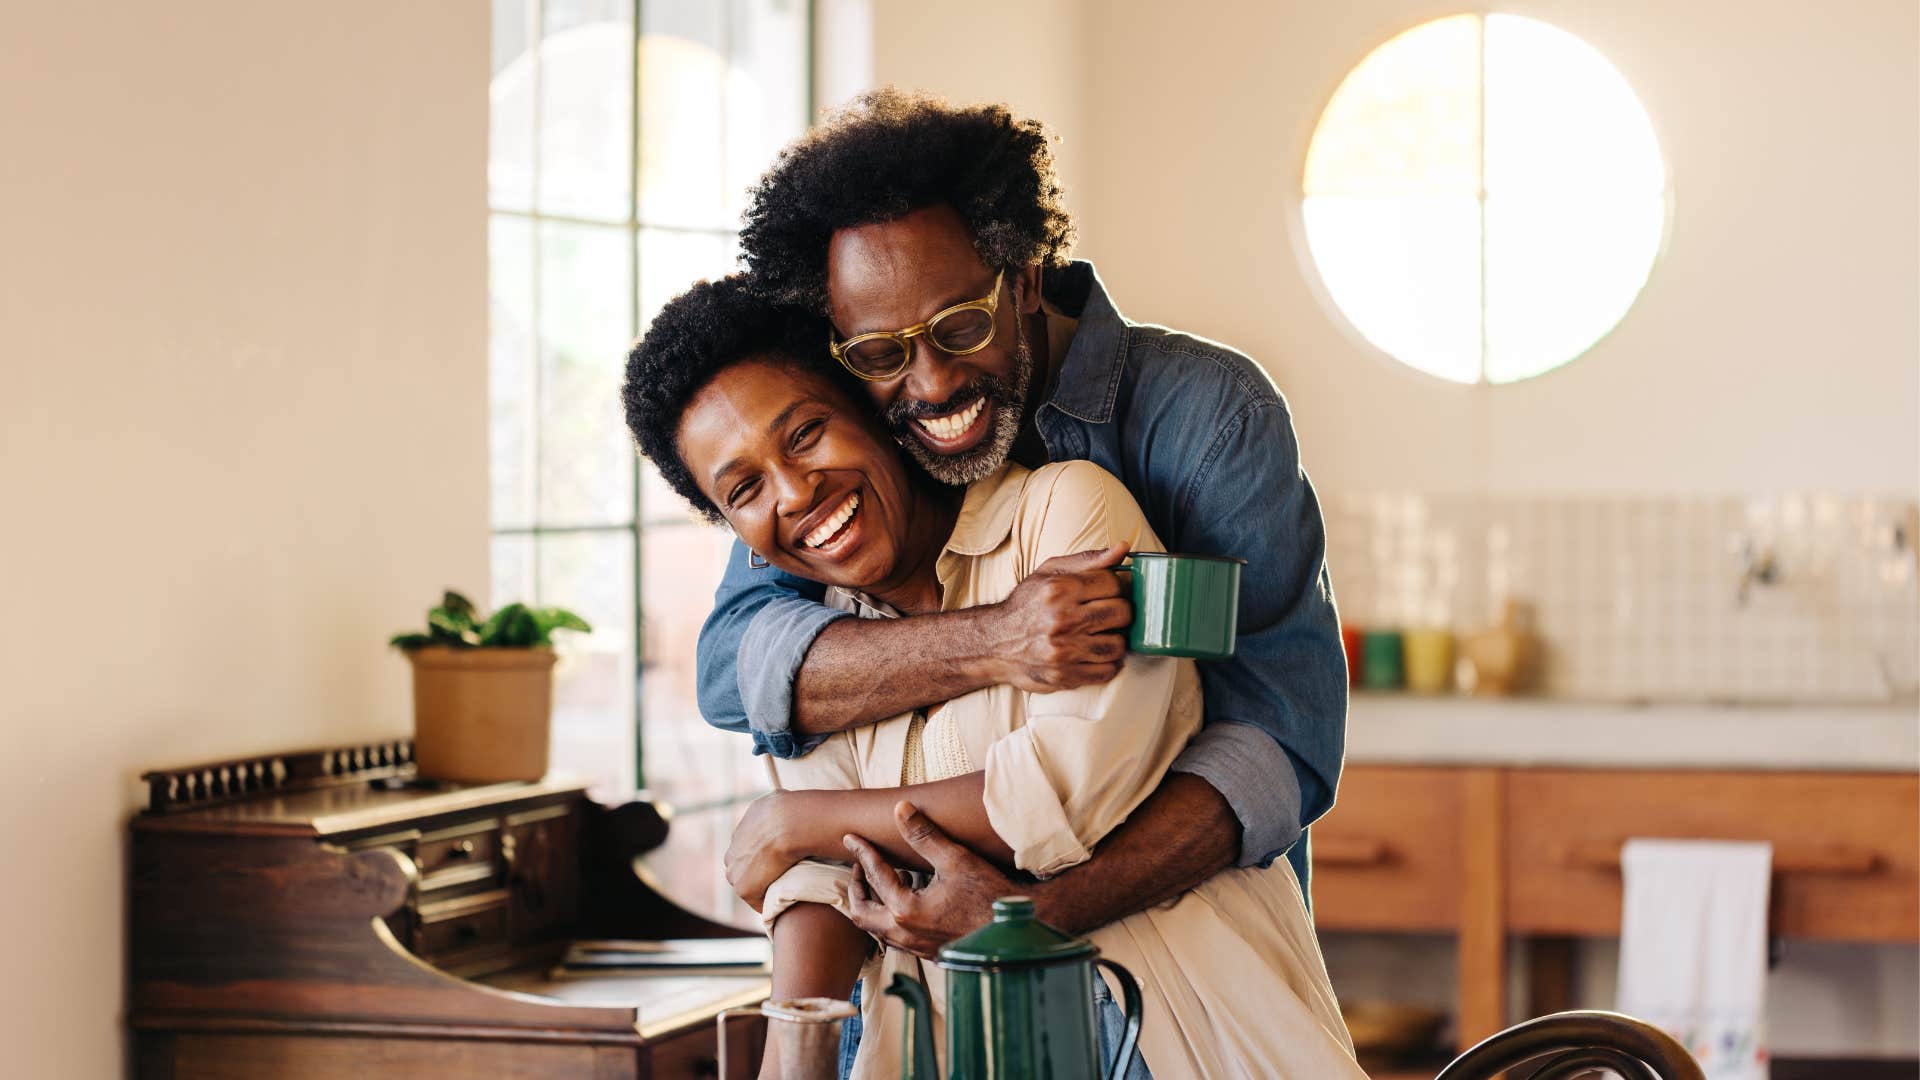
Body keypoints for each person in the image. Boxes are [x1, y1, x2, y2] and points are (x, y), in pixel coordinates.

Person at [621, 275, 1363, 1079]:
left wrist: (798, 820)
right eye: (744, 488)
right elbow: (820, 879)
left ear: (867, 406)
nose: (795, 491)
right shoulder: (813, 629)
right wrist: (787, 1063)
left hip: (1170, 1025)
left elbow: (1061, 794)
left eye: (805, 434)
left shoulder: (1069, 510)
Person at [703, 88, 1347, 960]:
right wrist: (997, 639)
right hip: (924, 989)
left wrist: (1033, 920)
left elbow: (1278, 742)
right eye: (883, 351)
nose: (932, 383)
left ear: (1027, 277)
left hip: (1182, 980)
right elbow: (733, 669)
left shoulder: (1207, 417)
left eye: (961, 326)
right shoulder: (852, 440)